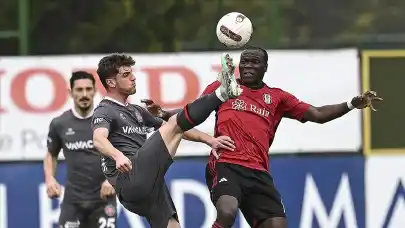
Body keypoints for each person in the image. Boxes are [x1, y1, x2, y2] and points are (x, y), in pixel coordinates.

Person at [142, 46, 383, 228]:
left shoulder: (277, 97)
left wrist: (352, 103)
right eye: (244, 62)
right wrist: (164, 113)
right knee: (227, 212)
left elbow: (317, 114)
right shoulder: (225, 88)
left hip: (258, 172)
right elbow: (192, 111)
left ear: (265, 67)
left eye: (254, 62)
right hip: (226, 164)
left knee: (278, 224)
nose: (247, 66)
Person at [91, 53, 240, 228]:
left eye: (132, 72)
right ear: (111, 83)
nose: (133, 78)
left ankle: (219, 91)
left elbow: (179, 126)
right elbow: (98, 139)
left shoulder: (137, 111)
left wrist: (210, 140)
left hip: (149, 184)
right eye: (125, 75)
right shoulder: (105, 110)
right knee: (174, 124)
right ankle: (221, 92)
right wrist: (117, 156)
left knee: (173, 226)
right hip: (130, 177)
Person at [44, 71, 117, 228]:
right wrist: (50, 179)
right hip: (73, 202)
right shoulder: (60, 123)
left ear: (95, 91)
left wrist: (113, 179)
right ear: (70, 92)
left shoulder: (108, 120)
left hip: (103, 200)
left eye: (88, 89)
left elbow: (125, 153)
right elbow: (51, 154)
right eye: (79, 90)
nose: (84, 94)